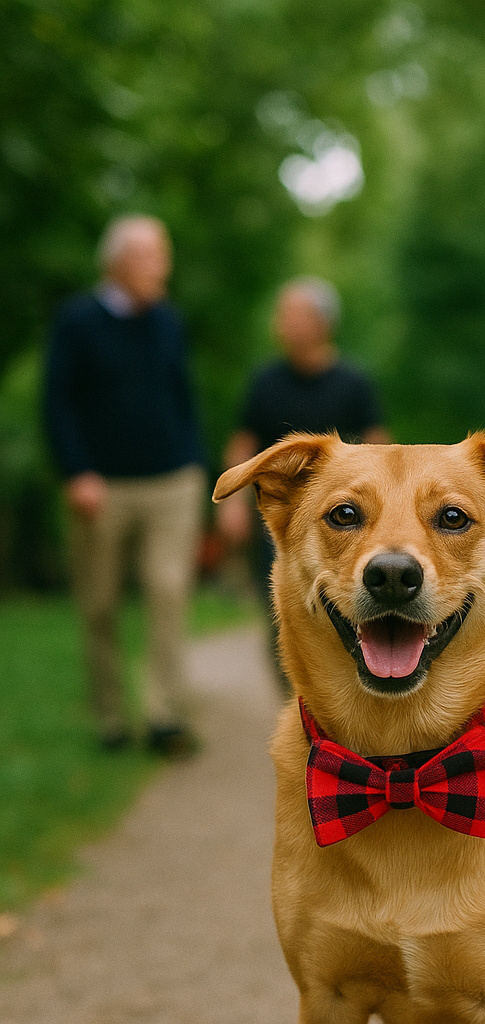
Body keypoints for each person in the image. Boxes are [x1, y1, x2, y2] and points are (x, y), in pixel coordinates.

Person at [43, 214, 207, 759]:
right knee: (100, 603)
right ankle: (111, 719)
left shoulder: (168, 322)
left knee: (168, 592)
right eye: (153, 256)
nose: (164, 267)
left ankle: (165, 716)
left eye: (164, 255)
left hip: (170, 481)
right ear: (118, 263)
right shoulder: (77, 322)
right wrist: (75, 472)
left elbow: (182, 397)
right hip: (101, 486)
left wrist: (194, 464)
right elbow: (57, 403)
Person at [217, 277, 389, 691]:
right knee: (284, 614)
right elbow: (242, 445)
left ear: (321, 323)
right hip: (279, 518)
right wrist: (233, 505)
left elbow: (383, 451)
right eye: (282, 315)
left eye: (291, 314)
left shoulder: (353, 382)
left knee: (353, 615)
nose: (282, 324)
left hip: (346, 525)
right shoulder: (265, 381)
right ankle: (300, 708)